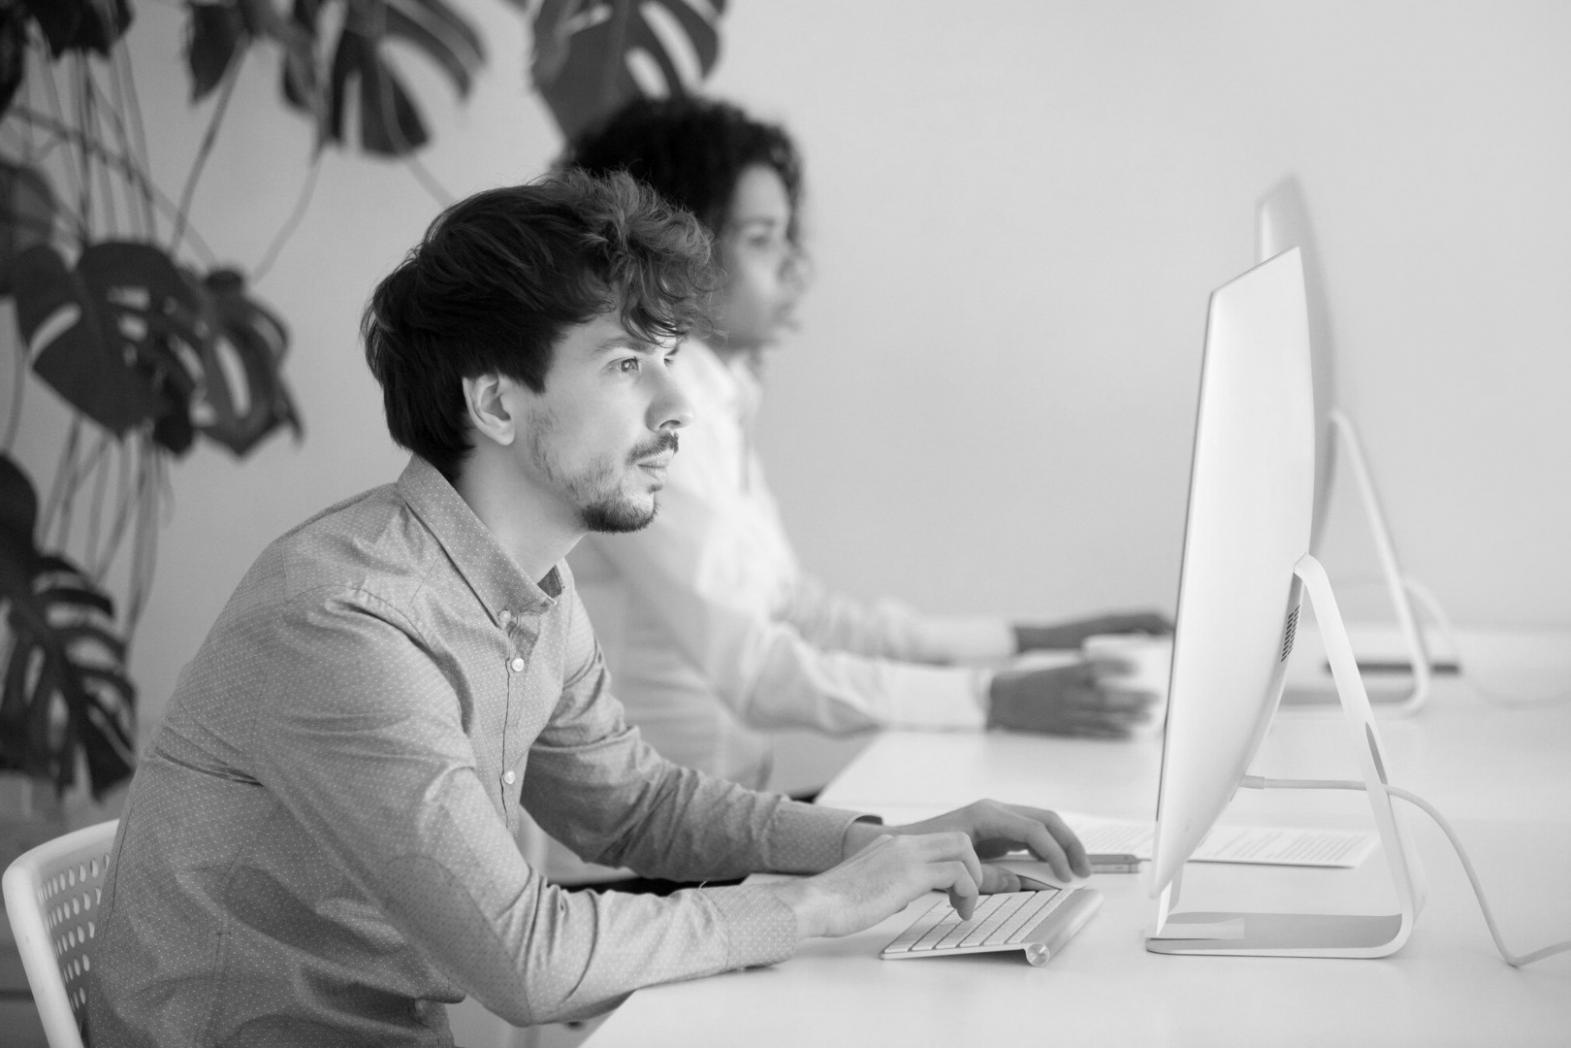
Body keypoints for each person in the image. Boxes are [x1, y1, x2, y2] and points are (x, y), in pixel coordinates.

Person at [84, 171, 1091, 1046]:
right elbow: (528, 959)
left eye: (664, 361)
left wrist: (877, 845)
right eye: (623, 366)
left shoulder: (533, 588)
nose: (672, 407)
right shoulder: (343, 624)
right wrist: (823, 904)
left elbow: (632, 805)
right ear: (495, 404)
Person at [557, 97, 1170, 804]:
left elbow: (797, 612)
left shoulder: (717, 398)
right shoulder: (648, 412)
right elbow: (752, 670)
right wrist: (991, 697)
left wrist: (1024, 641)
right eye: (762, 239)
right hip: (644, 861)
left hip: (719, 818)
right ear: (671, 251)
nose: (795, 270)